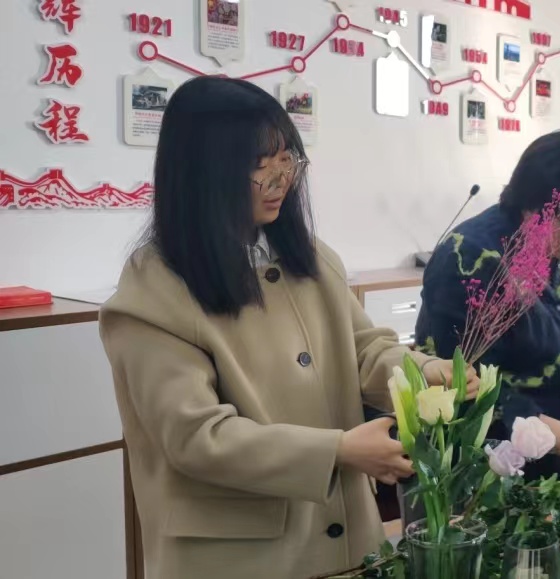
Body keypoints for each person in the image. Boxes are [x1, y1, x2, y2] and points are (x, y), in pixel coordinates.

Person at [97, 77, 475, 579]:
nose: (281, 180)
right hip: (239, 556)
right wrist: (338, 450)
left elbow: (364, 350)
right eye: (259, 165)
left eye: (286, 159)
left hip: (348, 540)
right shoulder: (153, 293)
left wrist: (423, 373)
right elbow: (197, 437)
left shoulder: (311, 259)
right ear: (204, 172)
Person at [417, 129, 560, 485]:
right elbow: (471, 390)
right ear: (538, 206)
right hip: (484, 471)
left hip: (552, 462)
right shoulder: (471, 260)